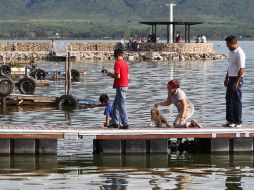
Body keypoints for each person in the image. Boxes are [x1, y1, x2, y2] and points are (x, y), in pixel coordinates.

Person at [103, 48, 129, 129]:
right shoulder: (125, 63)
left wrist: (110, 74)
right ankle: (115, 122)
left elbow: (118, 76)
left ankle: (125, 124)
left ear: (116, 55)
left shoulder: (117, 63)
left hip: (121, 87)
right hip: (124, 86)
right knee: (115, 106)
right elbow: (128, 76)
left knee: (121, 106)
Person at [224, 35, 246, 128]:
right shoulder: (231, 52)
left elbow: (241, 69)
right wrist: (226, 78)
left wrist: (236, 82)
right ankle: (230, 121)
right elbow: (230, 66)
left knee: (236, 100)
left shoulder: (240, 53)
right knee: (228, 99)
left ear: (234, 43)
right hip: (230, 77)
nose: (227, 46)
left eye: (228, 44)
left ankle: (238, 122)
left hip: (237, 78)